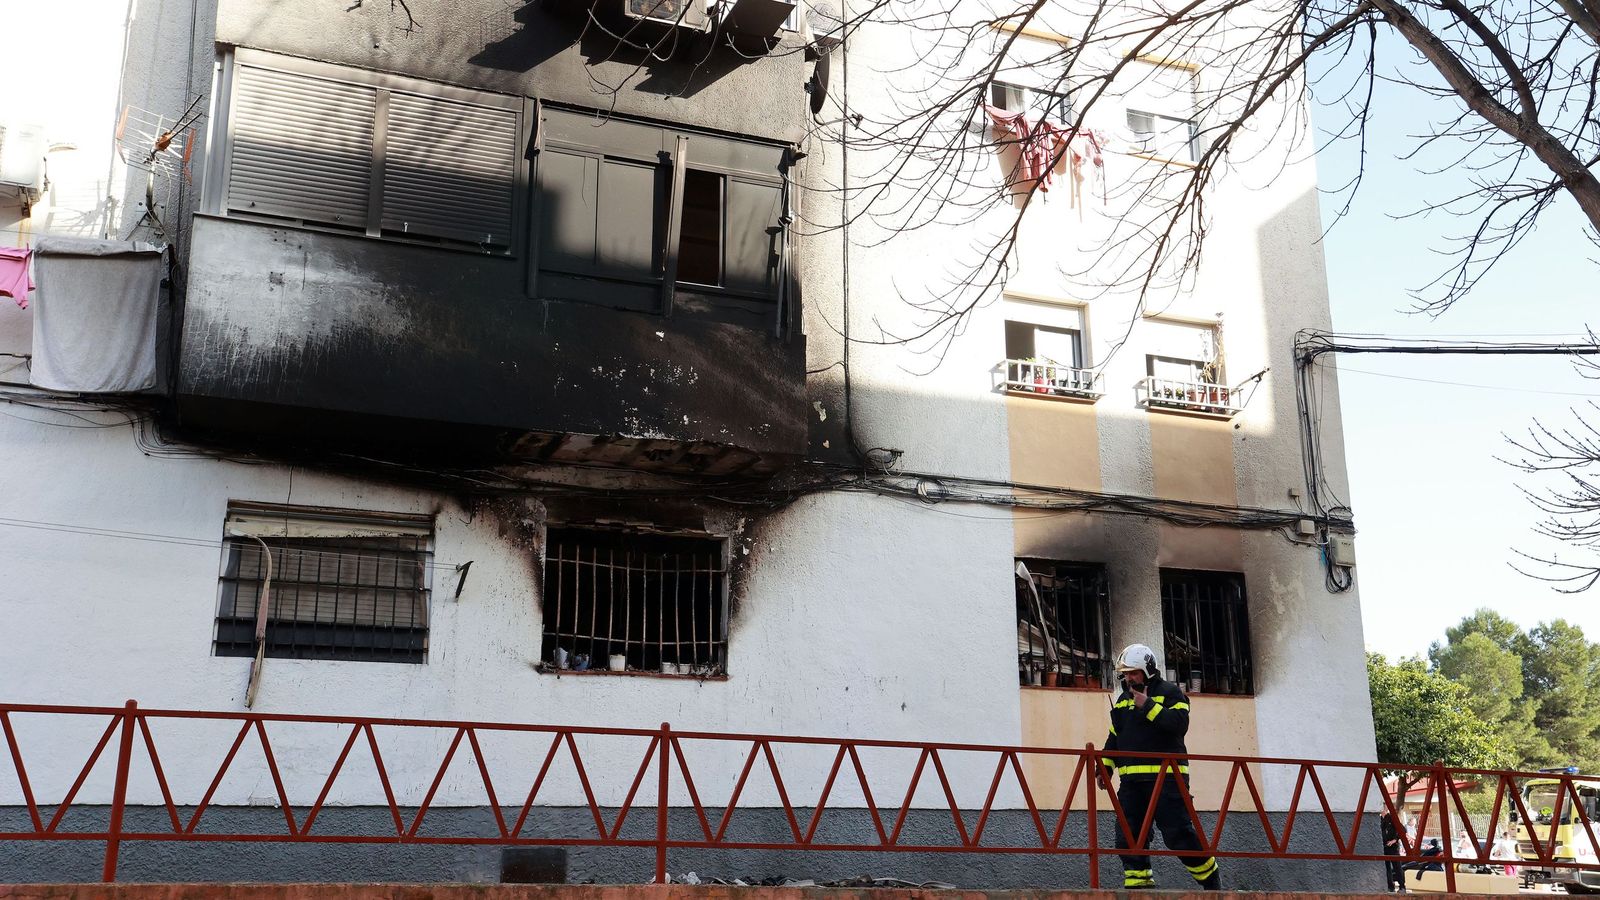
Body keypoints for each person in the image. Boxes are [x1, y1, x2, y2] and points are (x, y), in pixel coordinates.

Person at [1099, 643, 1221, 891]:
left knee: (1178, 835)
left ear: (1148, 669)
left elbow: (1178, 724)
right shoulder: (1123, 701)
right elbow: (1114, 738)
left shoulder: (1170, 693)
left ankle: (1212, 885)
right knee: (1128, 836)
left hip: (1167, 781)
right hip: (1131, 784)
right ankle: (1139, 889)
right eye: (1125, 673)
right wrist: (1105, 768)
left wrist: (1149, 706)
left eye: (1133, 672)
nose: (1129, 678)